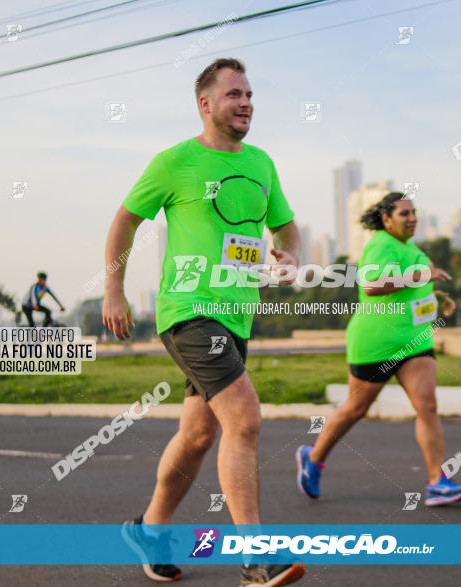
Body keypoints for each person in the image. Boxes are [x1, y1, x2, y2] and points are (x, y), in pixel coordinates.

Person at [103, 58, 304, 586]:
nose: (246, 103)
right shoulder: (175, 162)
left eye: (250, 94)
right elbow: (124, 221)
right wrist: (114, 290)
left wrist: (290, 257)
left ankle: (150, 528)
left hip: (237, 316)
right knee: (246, 418)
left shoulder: (262, 163)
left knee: (196, 435)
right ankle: (255, 557)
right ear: (206, 104)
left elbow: (286, 227)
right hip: (189, 311)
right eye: (234, 94)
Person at [296, 192, 461, 508]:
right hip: (376, 342)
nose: (412, 218)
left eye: (414, 212)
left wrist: (436, 294)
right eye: (404, 213)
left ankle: (437, 482)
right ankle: (314, 457)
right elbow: (372, 286)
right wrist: (421, 275)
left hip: (414, 340)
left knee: (427, 406)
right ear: (386, 219)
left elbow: (415, 283)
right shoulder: (380, 245)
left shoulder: (410, 247)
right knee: (355, 409)